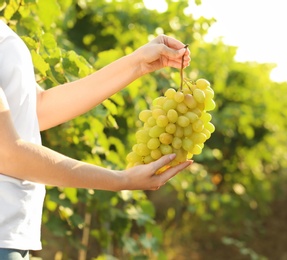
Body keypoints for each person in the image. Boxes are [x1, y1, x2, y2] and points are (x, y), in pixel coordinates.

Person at [0, 20, 192, 259]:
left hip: (12, 233)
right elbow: (7, 154)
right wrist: (121, 180)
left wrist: (138, 63)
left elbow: (35, 109)